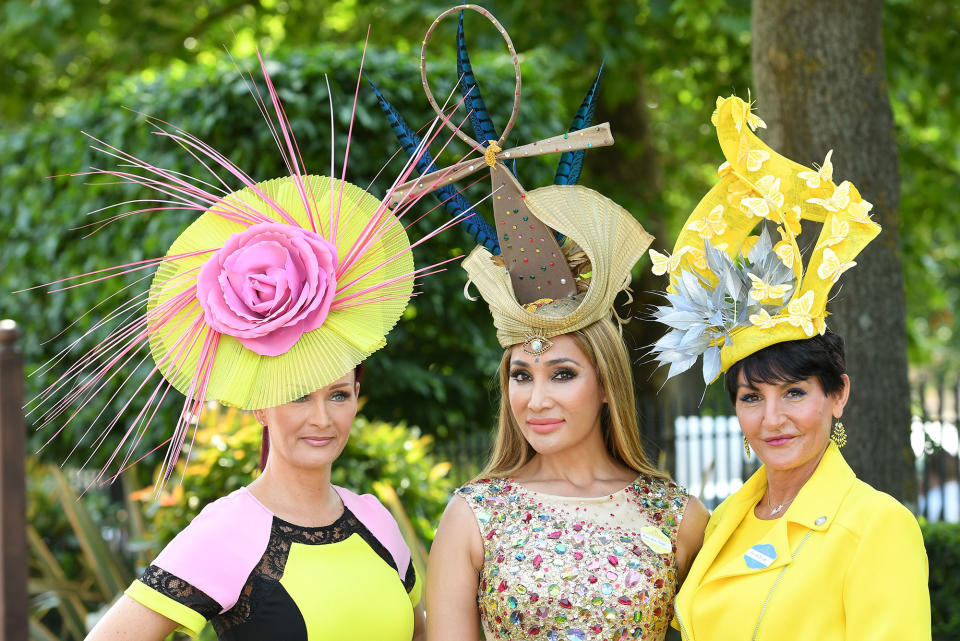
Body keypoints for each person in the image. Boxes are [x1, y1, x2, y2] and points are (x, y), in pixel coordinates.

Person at [29, 48, 449, 640]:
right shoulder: (226, 530)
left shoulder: (376, 520)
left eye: (340, 395)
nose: (323, 418)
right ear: (261, 401)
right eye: (301, 396)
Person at [375, 8, 709, 639]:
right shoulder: (475, 515)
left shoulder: (676, 514)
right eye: (521, 376)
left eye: (561, 373)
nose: (536, 398)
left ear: (606, 382)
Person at [648, 94, 930, 640]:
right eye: (752, 398)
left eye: (794, 393)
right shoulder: (726, 520)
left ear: (838, 394)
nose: (772, 418)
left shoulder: (876, 526)